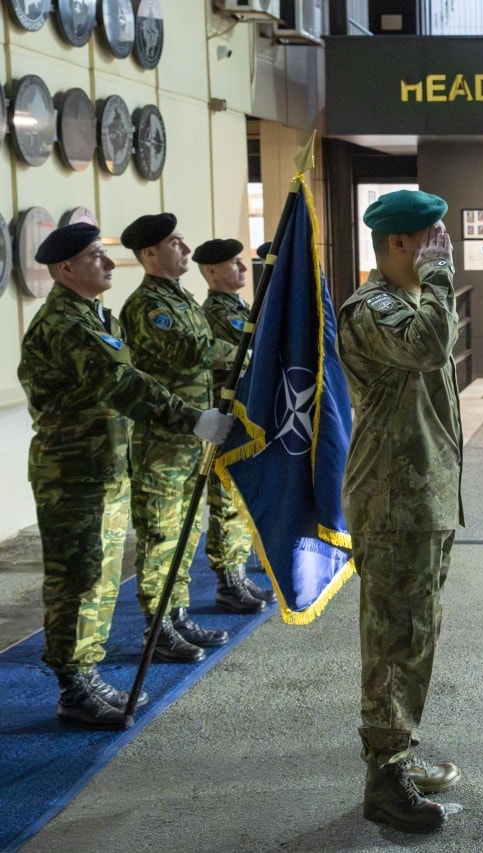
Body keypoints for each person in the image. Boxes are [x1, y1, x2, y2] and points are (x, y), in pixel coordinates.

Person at [19, 223, 234, 728]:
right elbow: (123, 383)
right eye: (96, 256)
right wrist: (191, 418)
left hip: (104, 466)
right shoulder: (66, 323)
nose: (108, 263)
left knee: (99, 578)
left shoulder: (93, 314)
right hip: (74, 472)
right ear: (67, 268)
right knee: (77, 580)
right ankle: (74, 686)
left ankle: (85, 674)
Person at [337, 189, 464, 833]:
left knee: (416, 637)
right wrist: (439, 276)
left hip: (422, 497)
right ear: (398, 243)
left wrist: (432, 280)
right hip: (394, 501)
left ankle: (398, 751)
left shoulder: (411, 300)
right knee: (395, 640)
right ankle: (384, 780)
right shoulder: (373, 308)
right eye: (432, 239)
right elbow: (432, 347)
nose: (443, 248)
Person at [120, 214, 238, 664]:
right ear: (150, 253)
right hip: (162, 442)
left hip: (192, 438)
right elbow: (191, 350)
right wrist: (246, 354)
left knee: (185, 533)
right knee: (161, 534)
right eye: (176, 243)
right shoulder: (147, 306)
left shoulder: (181, 298)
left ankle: (178, 613)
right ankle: (159, 626)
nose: (186, 249)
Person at [193, 238, 276, 614]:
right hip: (226, 418)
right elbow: (234, 358)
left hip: (243, 418)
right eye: (234, 264)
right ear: (212, 272)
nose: (243, 269)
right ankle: (228, 580)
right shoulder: (215, 313)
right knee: (225, 501)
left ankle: (238, 573)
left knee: (239, 498)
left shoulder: (240, 307)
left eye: (242, 262)